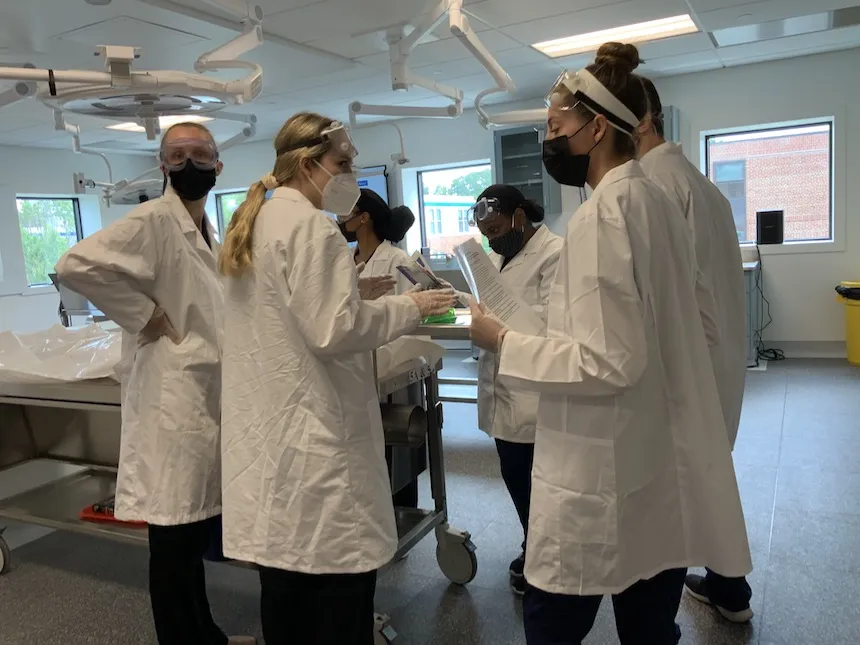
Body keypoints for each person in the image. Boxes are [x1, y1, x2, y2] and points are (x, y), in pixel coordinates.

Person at [468, 43, 752, 644]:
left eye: (556, 128)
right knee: (648, 621)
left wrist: (503, 341)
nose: (549, 141)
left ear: (597, 127)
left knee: (554, 621)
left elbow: (606, 360)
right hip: (653, 453)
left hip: (601, 465)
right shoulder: (654, 199)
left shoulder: (603, 215)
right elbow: (690, 322)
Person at [217, 112, 455, 645]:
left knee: (285, 596)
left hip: (273, 444)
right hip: (317, 446)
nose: (351, 175)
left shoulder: (257, 221)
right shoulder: (311, 227)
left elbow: (288, 314)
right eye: (343, 164)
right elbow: (335, 331)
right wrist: (412, 307)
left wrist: (354, 293)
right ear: (308, 165)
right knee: (336, 599)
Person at [55, 123, 253, 645]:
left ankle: (205, 635)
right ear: (163, 167)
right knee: (173, 541)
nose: (189, 163)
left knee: (189, 535)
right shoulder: (152, 220)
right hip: (172, 401)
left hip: (200, 395)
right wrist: (145, 315)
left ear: (218, 164)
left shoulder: (205, 228)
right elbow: (73, 265)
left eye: (200, 153)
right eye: (177, 155)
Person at [634, 73, 752, 623]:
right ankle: (730, 588)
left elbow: (658, 300)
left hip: (688, 368)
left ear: (640, 121)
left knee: (680, 489)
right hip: (721, 360)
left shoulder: (652, 188)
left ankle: (665, 617)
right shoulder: (702, 186)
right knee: (708, 474)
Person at [469, 184, 563, 595]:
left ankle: (546, 559)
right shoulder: (495, 257)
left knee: (540, 486)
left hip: (534, 391)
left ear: (519, 217)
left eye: (495, 229)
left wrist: (499, 331)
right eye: (485, 234)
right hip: (503, 387)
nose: (492, 240)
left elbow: (554, 326)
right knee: (515, 476)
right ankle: (533, 545)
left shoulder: (555, 254)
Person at [340, 189, 424, 511]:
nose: (340, 220)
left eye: (347, 213)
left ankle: (403, 511)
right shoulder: (345, 262)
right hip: (357, 370)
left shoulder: (398, 260)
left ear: (364, 218)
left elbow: (413, 314)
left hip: (393, 369)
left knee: (398, 458)